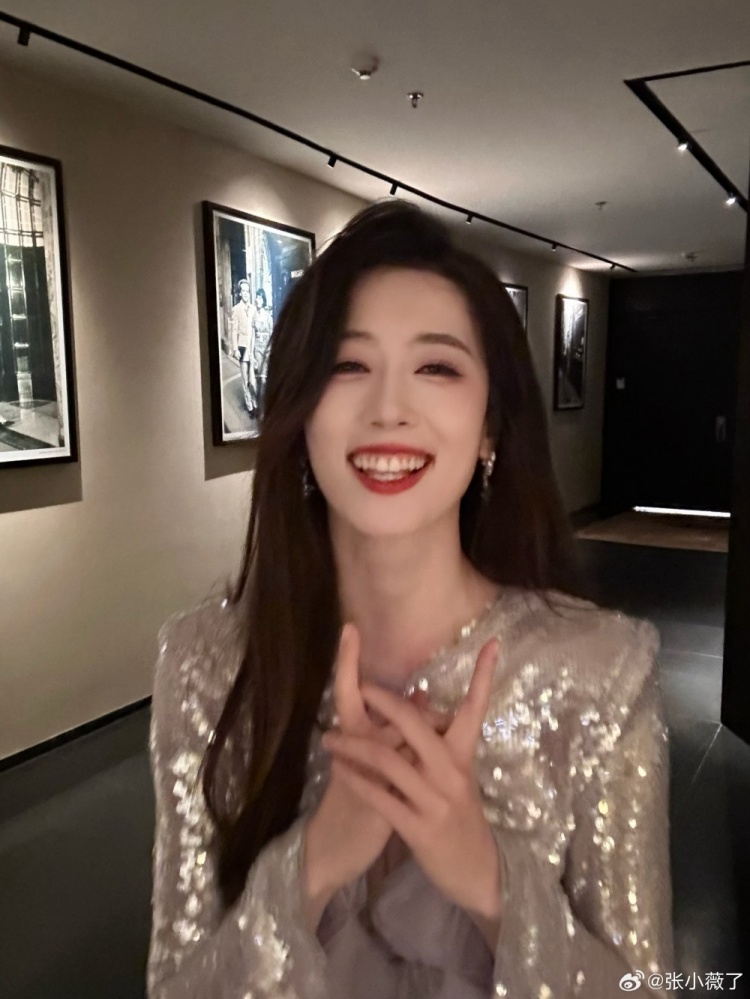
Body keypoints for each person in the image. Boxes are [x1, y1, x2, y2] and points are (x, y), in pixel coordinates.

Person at [147, 201, 675, 998]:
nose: (389, 408)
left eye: (437, 367)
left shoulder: (600, 671)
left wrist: (491, 883)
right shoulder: (207, 663)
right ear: (299, 413)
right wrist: (312, 864)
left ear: (491, 424)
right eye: (347, 366)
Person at [228, 278, 256, 415]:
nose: (246, 293)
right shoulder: (236, 309)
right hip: (243, 348)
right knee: (245, 380)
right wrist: (235, 349)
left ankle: (255, 404)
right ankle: (250, 407)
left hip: (252, 347)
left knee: (253, 379)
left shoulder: (253, 309)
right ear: (240, 293)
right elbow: (234, 330)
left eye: (247, 291)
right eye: (243, 291)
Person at [249, 286, 274, 417]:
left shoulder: (269, 317)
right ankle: (260, 409)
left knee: (264, 381)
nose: (257, 300)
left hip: (266, 350)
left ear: (263, 300)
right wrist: (251, 354)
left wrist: (270, 351)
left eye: (259, 298)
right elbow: (253, 336)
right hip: (257, 350)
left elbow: (272, 335)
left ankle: (264, 411)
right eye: (257, 298)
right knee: (259, 381)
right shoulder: (254, 316)